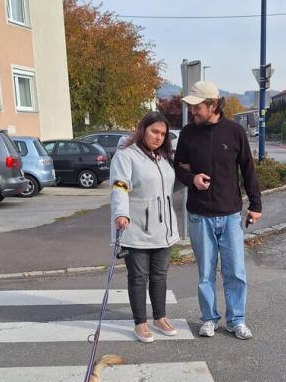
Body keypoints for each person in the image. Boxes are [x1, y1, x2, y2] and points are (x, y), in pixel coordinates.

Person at [175, 81, 262, 340]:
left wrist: (256, 205)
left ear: (213, 105)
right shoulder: (188, 133)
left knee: (235, 271)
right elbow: (178, 167)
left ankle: (236, 320)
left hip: (230, 214)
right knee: (205, 272)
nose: (193, 112)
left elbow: (248, 169)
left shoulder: (234, 132)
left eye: (197, 107)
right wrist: (192, 179)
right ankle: (209, 318)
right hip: (199, 215)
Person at [110, 112, 180, 343]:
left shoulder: (162, 157)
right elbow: (119, 186)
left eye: (163, 133)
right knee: (139, 277)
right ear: (143, 130)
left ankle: (159, 317)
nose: (158, 137)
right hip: (136, 227)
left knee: (159, 275)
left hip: (163, 228)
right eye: (154, 131)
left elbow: (169, 185)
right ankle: (140, 322)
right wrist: (121, 213)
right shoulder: (126, 155)